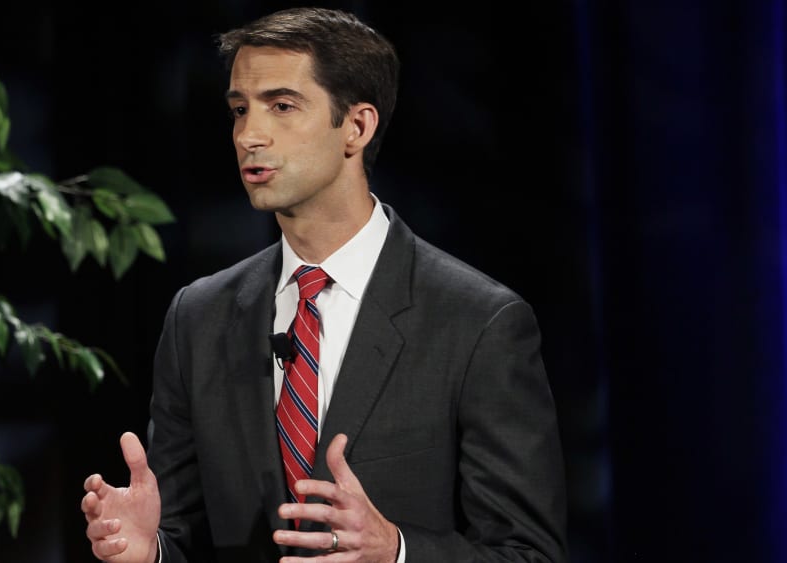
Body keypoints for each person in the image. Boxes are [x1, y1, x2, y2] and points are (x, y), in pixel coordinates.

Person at [81, 7, 567, 562]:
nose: (249, 135)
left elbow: (529, 554)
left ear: (357, 127)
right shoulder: (199, 316)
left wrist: (397, 551)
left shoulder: (478, 322)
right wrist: (150, 552)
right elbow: (188, 535)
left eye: (282, 107)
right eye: (240, 110)